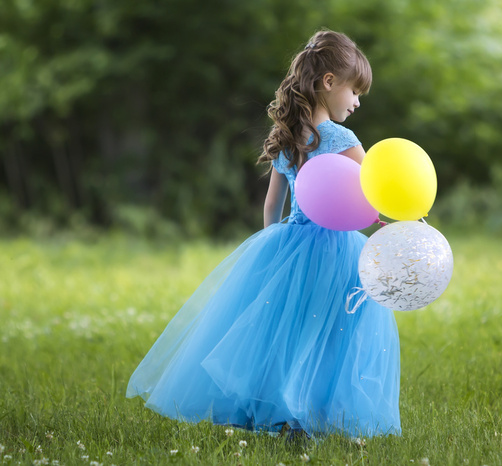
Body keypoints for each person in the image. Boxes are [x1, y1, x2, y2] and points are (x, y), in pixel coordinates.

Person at [126, 29, 401, 439]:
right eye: (355, 91)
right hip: (336, 251)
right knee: (330, 333)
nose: (358, 102)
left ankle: (281, 410)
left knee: (287, 333)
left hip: (290, 242)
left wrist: (275, 250)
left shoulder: (290, 137)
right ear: (329, 83)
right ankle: (313, 413)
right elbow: (374, 196)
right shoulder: (343, 140)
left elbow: (272, 205)